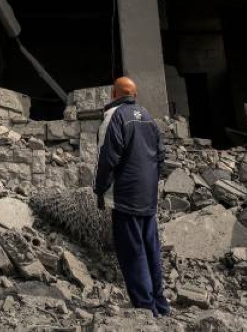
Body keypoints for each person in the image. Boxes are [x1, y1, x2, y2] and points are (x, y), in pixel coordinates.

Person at [93, 77, 169, 317]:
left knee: (132, 251)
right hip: (148, 197)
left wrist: (99, 190)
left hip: (125, 197)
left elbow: (107, 159)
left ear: (114, 93)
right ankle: (160, 304)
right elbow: (161, 156)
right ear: (134, 94)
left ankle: (145, 308)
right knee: (150, 249)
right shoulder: (148, 117)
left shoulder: (113, 117)